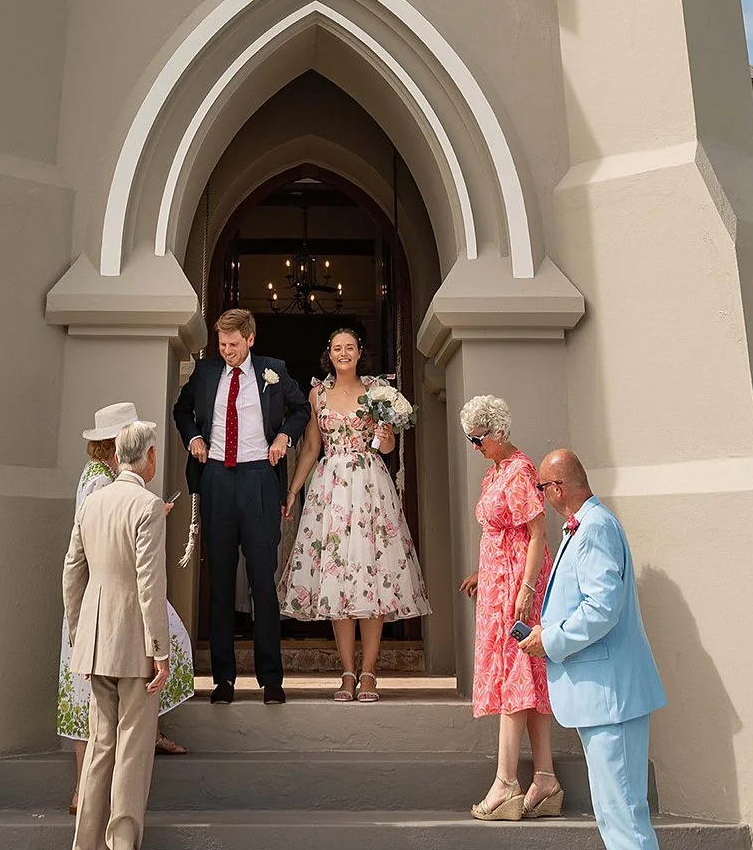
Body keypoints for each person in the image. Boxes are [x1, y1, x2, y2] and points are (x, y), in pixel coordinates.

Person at [517, 448, 671, 850]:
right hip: (600, 697)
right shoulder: (584, 527)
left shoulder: (597, 527)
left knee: (625, 817)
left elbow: (603, 607)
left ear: (557, 488)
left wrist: (550, 639)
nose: (540, 495)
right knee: (613, 818)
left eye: (542, 487)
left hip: (613, 697)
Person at [281, 320, 430, 700]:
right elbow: (312, 448)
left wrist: (384, 437)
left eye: (350, 347)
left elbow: (388, 447)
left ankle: (368, 673)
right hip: (330, 490)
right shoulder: (319, 395)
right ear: (328, 355)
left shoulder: (378, 392)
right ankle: (346, 672)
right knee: (337, 581)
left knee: (373, 577)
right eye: (337, 348)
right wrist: (293, 490)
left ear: (360, 352)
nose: (343, 353)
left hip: (368, 486)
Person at [60, 415, 177, 850]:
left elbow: (72, 571)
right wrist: (161, 651)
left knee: (100, 747)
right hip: (133, 640)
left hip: (95, 638)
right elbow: (150, 585)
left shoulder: (93, 504)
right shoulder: (147, 505)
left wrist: (77, 632)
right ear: (147, 457)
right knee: (131, 748)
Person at [57, 402, 195, 808]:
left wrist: (76, 627)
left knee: (96, 721)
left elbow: (72, 568)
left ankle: (86, 842)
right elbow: (145, 578)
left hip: (90, 614)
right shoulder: (111, 488)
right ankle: (117, 841)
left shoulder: (94, 478)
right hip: (119, 616)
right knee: (118, 734)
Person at [172, 306, 309, 703]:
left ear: (250, 340)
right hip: (216, 476)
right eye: (222, 343)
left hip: (259, 478)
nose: (227, 350)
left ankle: (271, 679)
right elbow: (182, 411)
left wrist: (283, 436)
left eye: (234, 344)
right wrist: (194, 438)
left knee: (263, 581)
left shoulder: (273, 370)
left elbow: (301, 410)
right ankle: (223, 679)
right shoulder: (207, 371)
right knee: (219, 582)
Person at [458, 393, 561, 820]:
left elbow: (537, 534)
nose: (474, 447)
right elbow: (501, 535)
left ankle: (505, 783)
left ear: (496, 433)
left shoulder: (520, 472)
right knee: (528, 678)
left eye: (477, 439)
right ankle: (546, 778)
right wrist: (484, 572)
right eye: (470, 440)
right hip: (500, 584)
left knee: (515, 675)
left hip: (517, 589)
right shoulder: (496, 471)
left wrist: (525, 589)